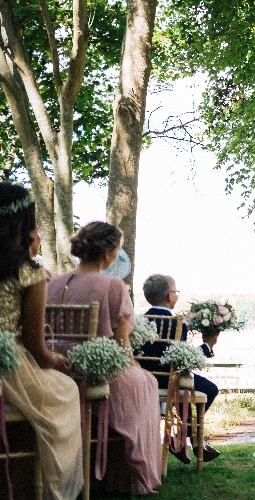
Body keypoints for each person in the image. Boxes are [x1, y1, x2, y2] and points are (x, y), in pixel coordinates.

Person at [46, 221, 161, 494]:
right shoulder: (112, 285)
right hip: (94, 369)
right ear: (108, 254)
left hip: (53, 367)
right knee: (147, 383)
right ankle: (130, 467)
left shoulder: (53, 282)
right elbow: (122, 347)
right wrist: (135, 366)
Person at [0, 183, 83, 499]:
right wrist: (55, 360)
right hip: (7, 362)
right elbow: (36, 347)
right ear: (22, 226)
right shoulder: (30, 273)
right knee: (66, 391)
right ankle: (57, 489)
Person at [141, 273, 220, 463]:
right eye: (176, 291)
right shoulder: (176, 324)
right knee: (210, 389)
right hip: (169, 381)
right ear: (169, 296)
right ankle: (189, 439)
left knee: (186, 385)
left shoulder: (140, 320)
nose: (177, 295)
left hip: (144, 378)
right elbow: (182, 361)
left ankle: (186, 439)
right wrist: (208, 345)